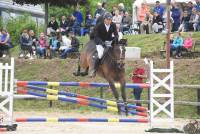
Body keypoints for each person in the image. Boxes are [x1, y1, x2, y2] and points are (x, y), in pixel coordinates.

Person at [89, 12, 119, 77]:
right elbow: (96, 37)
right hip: (100, 42)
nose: (109, 21)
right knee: (100, 55)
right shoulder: (99, 25)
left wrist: (115, 39)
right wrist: (102, 43)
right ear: (104, 19)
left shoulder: (113, 25)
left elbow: (116, 34)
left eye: (110, 20)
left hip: (108, 41)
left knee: (115, 53)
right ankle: (93, 70)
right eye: (108, 20)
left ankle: (117, 68)